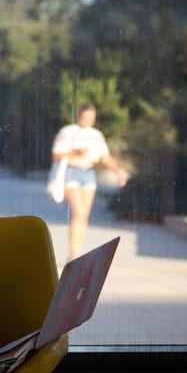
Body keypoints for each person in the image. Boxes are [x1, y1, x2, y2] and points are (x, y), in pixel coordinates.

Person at [51, 104, 127, 261]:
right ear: (79, 116)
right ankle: (73, 254)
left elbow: (105, 157)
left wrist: (118, 171)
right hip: (71, 173)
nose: (87, 120)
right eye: (85, 117)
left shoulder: (96, 135)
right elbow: (56, 154)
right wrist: (75, 152)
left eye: (91, 118)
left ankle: (78, 252)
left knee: (83, 215)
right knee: (77, 212)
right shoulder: (68, 131)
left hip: (89, 174)